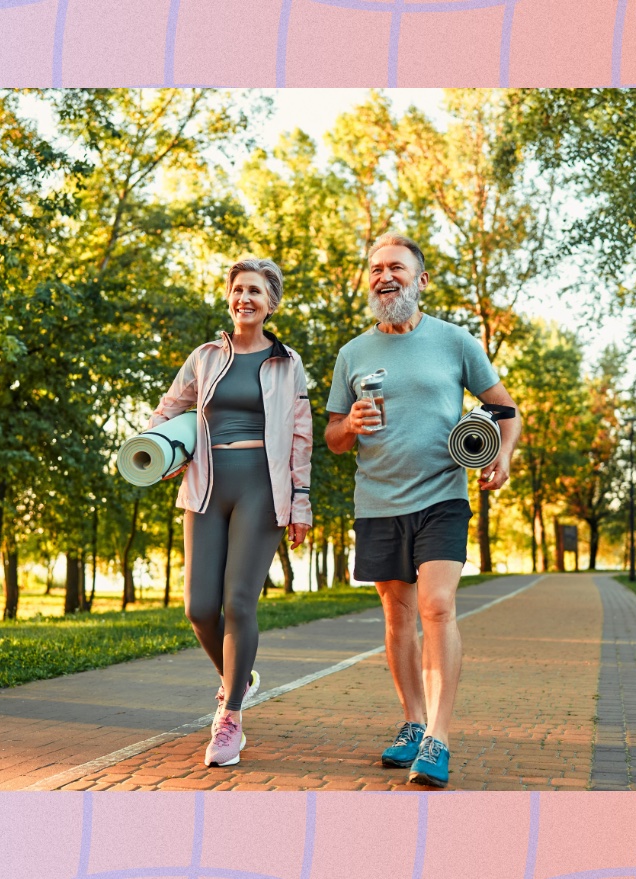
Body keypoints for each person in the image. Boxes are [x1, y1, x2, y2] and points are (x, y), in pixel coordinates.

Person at [325, 233, 521, 787]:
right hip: (379, 500)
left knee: (436, 607)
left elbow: (506, 410)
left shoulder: (455, 341)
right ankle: (411, 721)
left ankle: (439, 736)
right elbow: (333, 437)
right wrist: (348, 427)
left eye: (397, 268)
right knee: (397, 617)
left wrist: (502, 455)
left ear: (421, 279)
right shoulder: (352, 354)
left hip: (442, 495)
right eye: (375, 268)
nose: (384, 276)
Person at [148, 258, 313, 767]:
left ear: (271, 303)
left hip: (262, 488)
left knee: (239, 602)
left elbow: (302, 434)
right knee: (199, 608)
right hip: (206, 486)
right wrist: (160, 449)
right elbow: (168, 409)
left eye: (256, 292)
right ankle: (238, 676)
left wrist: (301, 501)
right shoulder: (204, 357)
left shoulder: (288, 362)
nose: (246, 298)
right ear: (229, 298)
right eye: (239, 290)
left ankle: (231, 718)